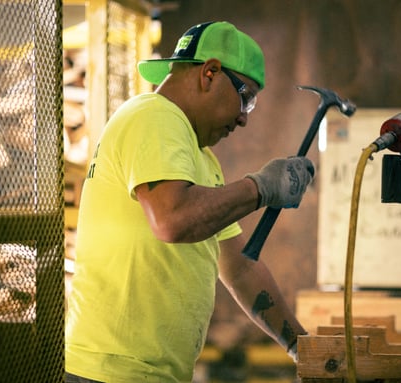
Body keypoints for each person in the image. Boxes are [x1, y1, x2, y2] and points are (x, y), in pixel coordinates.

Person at [65, 21, 314, 383]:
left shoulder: (200, 159)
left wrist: (303, 350)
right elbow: (172, 220)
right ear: (209, 73)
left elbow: (240, 269)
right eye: (246, 97)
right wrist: (260, 188)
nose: (244, 117)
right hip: (108, 372)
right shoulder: (154, 116)